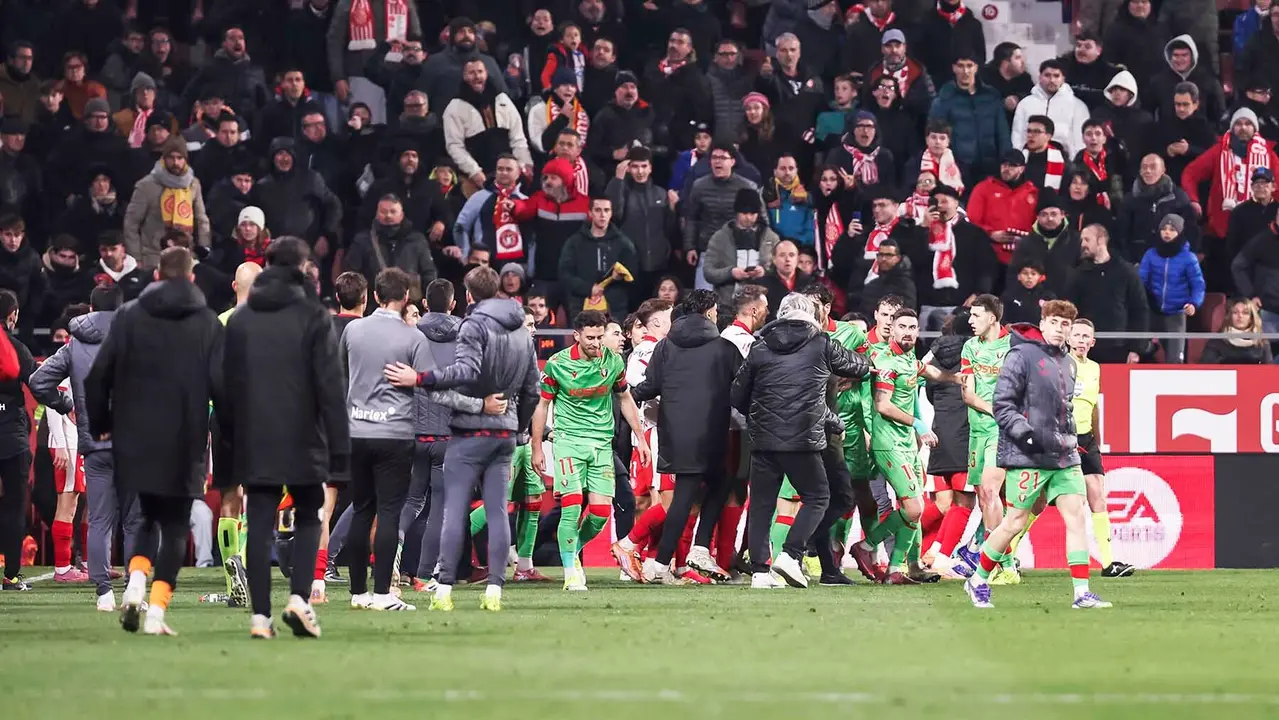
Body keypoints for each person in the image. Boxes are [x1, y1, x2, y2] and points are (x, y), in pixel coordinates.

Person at [85, 246, 224, 635]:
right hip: (185, 437)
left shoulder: (129, 317)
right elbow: (224, 387)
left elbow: (97, 378)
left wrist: (102, 424)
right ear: (192, 278)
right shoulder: (208, 323)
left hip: (135, 437)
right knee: (176, 526)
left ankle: (133, 585)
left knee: (145, 515)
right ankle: (157, 613)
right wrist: (228, 437)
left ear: (157, 276)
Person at [385, 265, 541, 610]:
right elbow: (533, 389)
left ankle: (442, 591)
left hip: (470, 431)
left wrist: (422, 378)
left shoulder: (472, 325)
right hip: (504, 432)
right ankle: (495, 591)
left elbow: (466, 371)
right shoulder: (521, 331)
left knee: (453, 510)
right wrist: (517, 426)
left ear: (468, 296)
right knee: (498, 511)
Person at [220, 237, 348, 638]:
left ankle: (260, 617)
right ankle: (299, 599)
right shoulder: (313, 315)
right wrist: (340, 453)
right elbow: (330, 388)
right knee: (310, 512)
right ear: (303, 267)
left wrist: (227, 446)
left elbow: (225, 389)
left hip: (253, 434)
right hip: (303, 433)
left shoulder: (240, 320)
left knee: (257, 520)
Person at [962, 299, 1113, 610]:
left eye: (1065, 324)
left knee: (1076, 515)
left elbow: (1066, 410)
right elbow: (1002, 405)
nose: (1060, 329)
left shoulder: (1070, 364)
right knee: (1014, 522)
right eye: (1054, 322)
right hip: (1026, 456)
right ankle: (977, 579)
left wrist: (1071, 439)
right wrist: (1026, 436)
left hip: (1064, 455)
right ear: (1043, 324)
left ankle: (1081, 592)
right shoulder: (1021, 355)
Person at [732, 293, 871, 589]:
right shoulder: (821, 344)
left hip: (763, 439)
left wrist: (761, 414)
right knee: (819, 496)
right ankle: (791, 553)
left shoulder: (760, 346)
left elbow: (737, 395)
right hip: (804, 438)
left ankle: (759, 571)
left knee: (761, 505)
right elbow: (860, 366)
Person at [29, 284, 141, 607]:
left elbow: (38, 382)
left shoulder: (74, 345)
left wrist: (64, 403)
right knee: (135, 520)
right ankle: (134, 589)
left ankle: (104, 594)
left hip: (94, 444)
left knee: (100, 520)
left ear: (91, 309)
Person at [624, 290, 742, 585]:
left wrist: (625, 397)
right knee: (716, 485)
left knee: (690, 494)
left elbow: (649, 386)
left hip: (675, 433)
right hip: (712, 430)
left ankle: (673, 558)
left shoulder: (665, 348)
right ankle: (673, 558)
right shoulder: (724, 348)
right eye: (714, 310)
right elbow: (742, 388)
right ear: (707, 313)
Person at [529, 309, 648, 592]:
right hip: (568, 442)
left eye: (599, 337)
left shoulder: (613, 361)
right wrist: (537, 447)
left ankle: (571, 552)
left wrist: (641, 438)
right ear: (577, 336)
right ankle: (571, 571)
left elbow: (625, 398)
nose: (596, 343)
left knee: (599, 514)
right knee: (570, 509)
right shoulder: (557, 365)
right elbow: (542, 407)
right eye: (590, 338)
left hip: (601, 445)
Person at [337, 267, 430, 612]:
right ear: (405, 297)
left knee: (362, 510)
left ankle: (358, 593)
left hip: (357, 431)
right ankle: (381, 595)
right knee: (389, 513)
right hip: (395, 434)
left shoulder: (352, 330)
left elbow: (344, 376)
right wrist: (416, 378)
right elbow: (428, 383)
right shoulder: (413, 338)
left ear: (374, 295)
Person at [849, 307, 961, 584]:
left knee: (915, 506)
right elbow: (883, 405)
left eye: (913, 327)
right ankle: (865, 546)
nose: (908, 332)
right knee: (913, 508)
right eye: (903, 327)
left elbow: (928, 371)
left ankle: (900, 569)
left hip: (906, 444)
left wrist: (955, 378)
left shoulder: (910, 360)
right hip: (888, 443)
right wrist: (919, 425)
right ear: (893, 331)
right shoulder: (886, 363)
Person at [944, 296, 1011, 580]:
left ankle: (997, 565)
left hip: (1004, 430)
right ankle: (1004, 563)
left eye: (976, 315)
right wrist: (994, 410)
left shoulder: (1013, 347)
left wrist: (1007, 415)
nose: (970, 321)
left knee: (991, 491)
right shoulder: (970, 347)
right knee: (985, 497)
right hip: (979, 429)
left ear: (993, 318)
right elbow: (967, 394)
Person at [1068, 319, 1136, 577]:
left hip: (1087, 440)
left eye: (1087, 336)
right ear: (1068, 338)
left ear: (1093, 342)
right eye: (1077, 335)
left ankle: (1108, 563)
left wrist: (1098, 438)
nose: (1082, 340)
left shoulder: (1095, 368)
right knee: (1037, 504)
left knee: (1097, 495)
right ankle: (1008, 555)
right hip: (1063, 439)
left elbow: (1093, 406)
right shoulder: (1061, 365)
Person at [1068, 224, 1148, 363]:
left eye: (1087, 240)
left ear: (1100, 241)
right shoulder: (1079, 274)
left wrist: (1136, 348)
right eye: (1082, 240)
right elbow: (1072, 311)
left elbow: (1140, 311)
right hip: (1086, 349)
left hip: (1119, 348)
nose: (1083, 244)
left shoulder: (1126, 272)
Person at [558, 196, 638, 318]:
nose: (602, 215)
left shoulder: (623, 243)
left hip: (615, 310)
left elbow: (633, 275)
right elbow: (565, 274)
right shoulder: (575, 242)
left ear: (611, 213)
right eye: (598, 210)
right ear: (590, 213)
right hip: (580, 308)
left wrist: (619, 278)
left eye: (606, 210)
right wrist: (588, 288)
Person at [1139, 215, 1205, 363]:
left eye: (1172, 230)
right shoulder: (1150, 254)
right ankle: (1152, 347)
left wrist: (1194, 303)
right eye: (1164, 229)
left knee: (1175, 360)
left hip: (1176, 313)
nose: (1167, 233)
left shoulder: (1189, 258)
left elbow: (1198, 284)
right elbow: (1141, 280)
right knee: (1140, 348)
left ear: (1180, 233)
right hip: (1152, 310)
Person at [703, 188, 778, 307]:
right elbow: (708, 271)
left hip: (763, 303)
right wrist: (731, 272)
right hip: (727, 303)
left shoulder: (771, 237)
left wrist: (765, 272)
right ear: (736, 212)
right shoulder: (720, 237)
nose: (748, 217)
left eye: (753, 214)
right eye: (744, 213)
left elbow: (781, 270)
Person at [1011, 60, 1088, 158]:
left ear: (1063, 78)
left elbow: (1080, 141)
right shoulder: (1025, 104)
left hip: (1064, 161)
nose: (1052, 80)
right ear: (1040, 77)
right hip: (1030, 161)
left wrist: (1076, 164)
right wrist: (1018, 160)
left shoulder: (1078, 106)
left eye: (1056, 76)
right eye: (1047, 75)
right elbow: (1017, 136)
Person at [1199, 298, 1274, 363]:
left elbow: (1270, 372)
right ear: (1229, 316)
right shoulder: (1216, 341)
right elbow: (1205, 369)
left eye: (1245, 313)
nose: (1240, 316)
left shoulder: (1262, 342)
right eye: (1235, 312)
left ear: (1251, 318)